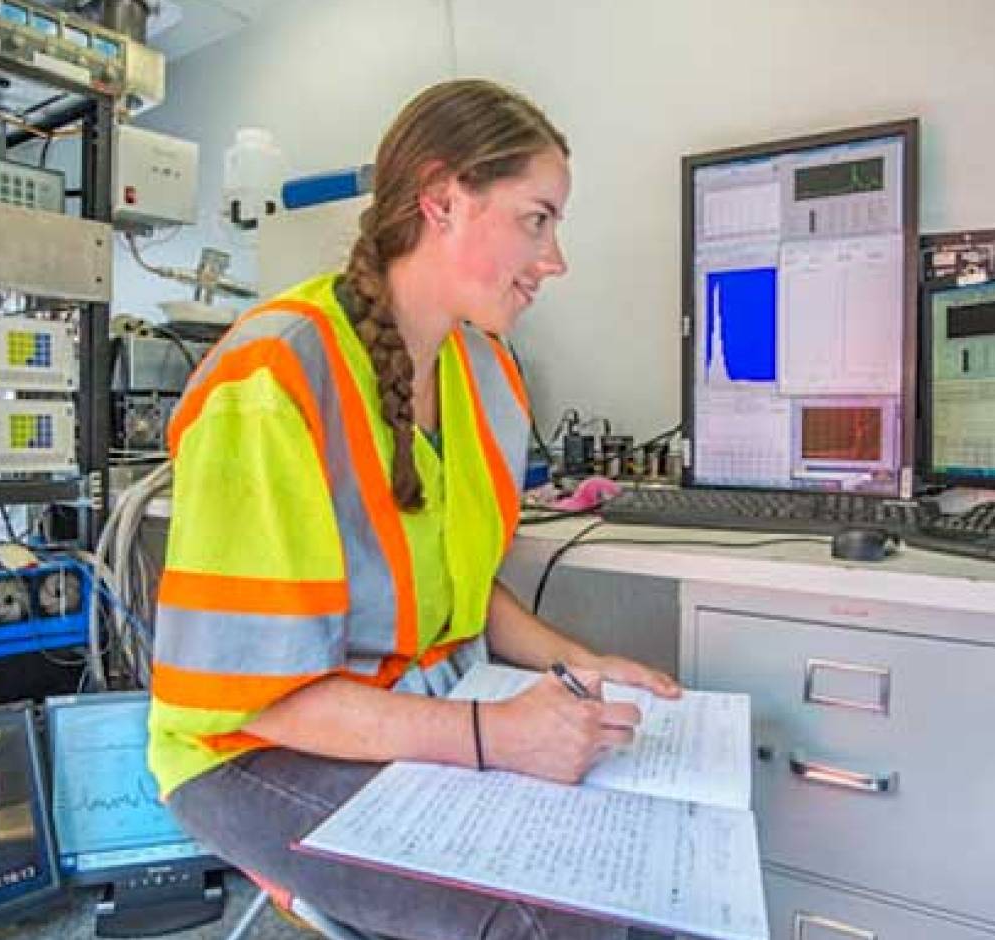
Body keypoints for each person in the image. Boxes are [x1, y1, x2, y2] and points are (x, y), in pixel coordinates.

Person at [149, 79, 682, 940]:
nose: (556, 258)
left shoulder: (486, 374)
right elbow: (256, 696)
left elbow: (463, 592)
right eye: (536, 219)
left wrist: (583, 664)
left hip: (425, 706)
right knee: (546, 921)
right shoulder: (275, 377)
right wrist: (497, 737)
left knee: (642, 882)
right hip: (252, 751)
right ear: (441, 199)